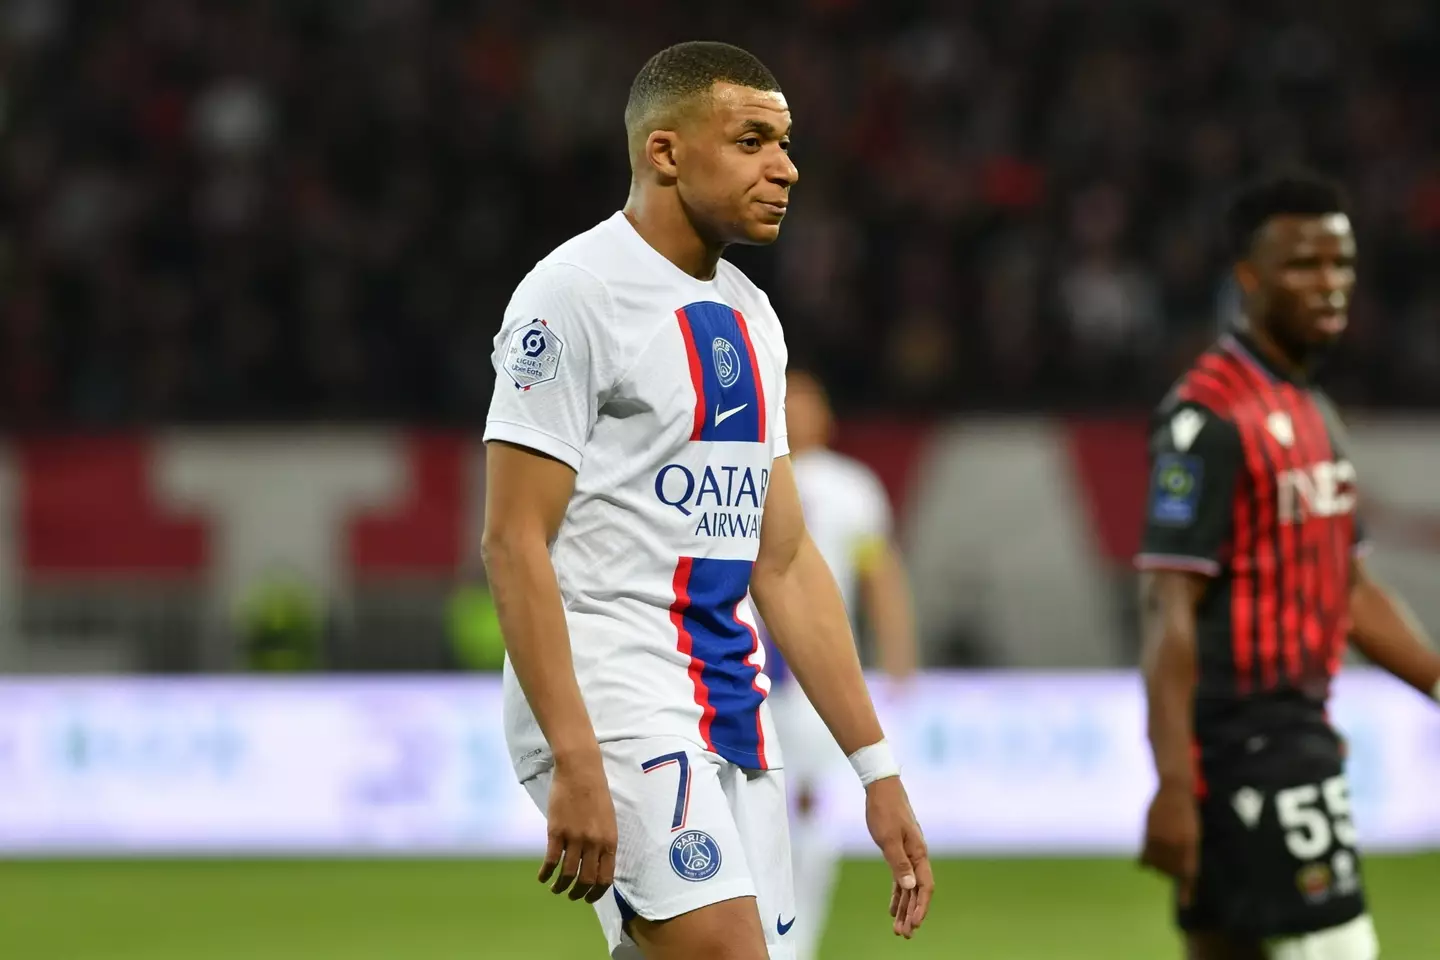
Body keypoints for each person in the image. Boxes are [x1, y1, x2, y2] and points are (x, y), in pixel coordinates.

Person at [480, 41, 932, 960]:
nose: (787, 167)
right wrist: (574, 755)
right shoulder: (574, 294)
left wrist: (874, 768)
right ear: (666, 152)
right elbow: (513, 540)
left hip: (729, 699)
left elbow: (786, 559)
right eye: (754, 140)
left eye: (787, 142)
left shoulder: (752, 317)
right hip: (613, 688)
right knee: (726, 950)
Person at [1135, 171, 1440, 960]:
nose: (1331, 284)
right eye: (1305, 265)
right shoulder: (1208, 414)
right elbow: (1167, 607)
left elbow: (1351, 589)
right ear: (1248, 277)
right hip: (1253, 746)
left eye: (1341, 264)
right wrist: (1174, 785)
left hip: (1291, 735)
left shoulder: (1314, 412)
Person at [764, 368, 918, 960]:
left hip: (817, 680)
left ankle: (794, 941)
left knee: (806, 807)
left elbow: (880, 577)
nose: (797, 414)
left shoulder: (855, 488)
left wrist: (899, 653)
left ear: (826, 417)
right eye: (788, 403)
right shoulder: (751, 472)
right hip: (751, 674)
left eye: (806, 403)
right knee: (762, 806)